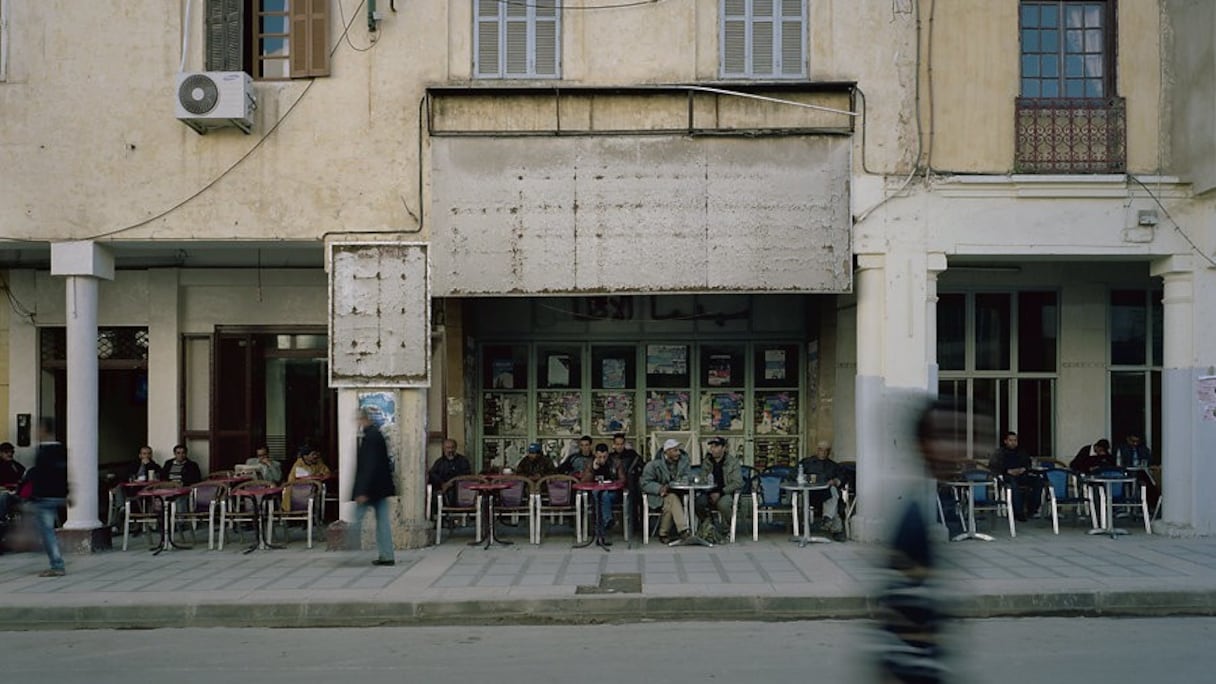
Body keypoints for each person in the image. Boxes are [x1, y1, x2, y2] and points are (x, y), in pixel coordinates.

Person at [874, 396, 968, 683]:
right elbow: (905, 629)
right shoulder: (912, 522)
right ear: (924, 446)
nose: (959, 452)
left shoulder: (919, 513)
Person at [350, 406, 396, 566]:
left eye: (358, 419)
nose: (357, 422)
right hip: (380, 488)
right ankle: (387, 555)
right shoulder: (376, 435)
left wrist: (361, 490)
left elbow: (368, 466)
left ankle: (348, 544)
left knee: (356, 518)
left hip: (371, 489)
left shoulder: (370, 437)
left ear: (364, 419)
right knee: (382, 521)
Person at [30, 418, 68, 577]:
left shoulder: (44, 452)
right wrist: (67, 492)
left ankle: (57, 564)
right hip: (57, 494)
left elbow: (39, 476)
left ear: (43, 430)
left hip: (45, 496)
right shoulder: (61, 449)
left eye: (37, 429)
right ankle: (56, 555)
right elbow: (65, 472)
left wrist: (34, 495)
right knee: (47, 530)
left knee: (47, 532)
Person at [640, 438, 692, 544]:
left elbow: (688, 476)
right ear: (667, 452)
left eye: (678, 450)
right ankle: (683, 530)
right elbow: (645, 483)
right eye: (675, 450)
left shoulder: (683, 462)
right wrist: (659, 488)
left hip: (679, 493)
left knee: (671, 501)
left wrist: (682, 481)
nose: (678, 453)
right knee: (672, 498)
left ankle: (663, 533)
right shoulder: (653, 465)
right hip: (657, 496)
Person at [989, 431, 1044, 522]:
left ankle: (1032, 509)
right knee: (1013, 483)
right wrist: (1007, 471)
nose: (1013, 442)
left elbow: (1028, 464)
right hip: (1006, 476)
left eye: (1015, 440)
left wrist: (1024, 469)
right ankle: (1018, 512)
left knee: (1038, 481)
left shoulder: (1021, 451)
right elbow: (993, 466)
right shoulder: (999, 452)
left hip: (1021, 475)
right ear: (1005, 441)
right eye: (1010, 440)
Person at [796, 440, 845, 540]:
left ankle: (827, 518)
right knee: (833, 504)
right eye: (820, 450)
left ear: (829, 452)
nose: (823, 452)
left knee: (833, 492)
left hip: (826, 494)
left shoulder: (833, 465)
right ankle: (834, 527)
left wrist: (836, 481)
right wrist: (805, 478)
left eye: (826, 450)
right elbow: (793, 474)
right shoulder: (806, 462)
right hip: (809, 494)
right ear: (817, 450)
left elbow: (842, 478)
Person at [580, 443, 626, 540]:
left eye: (604, 457)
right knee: (600, 494)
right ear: (595, 455)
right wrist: (593, 469)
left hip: (612, 493)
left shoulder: (616, 462)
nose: (602, 459)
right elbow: (584, 481)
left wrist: (612, 483)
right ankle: (607, 521)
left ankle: (603, 526)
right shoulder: (589, 463)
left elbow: (622, 480)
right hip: (594, 492)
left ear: (608, 455)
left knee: (603, 495)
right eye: (600, 456)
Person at [697, 436, 742, 532]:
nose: (713, 449)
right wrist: (706, 489)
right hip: (708, 492)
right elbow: (702, 479)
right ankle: (708, 527)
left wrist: (720, 492)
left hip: (725, 492)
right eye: (711, 447)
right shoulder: (707, 462)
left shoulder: (733, 462)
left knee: (723, 504)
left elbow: (738, 482)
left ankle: (727, 529)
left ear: (724, 448)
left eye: (716, 446)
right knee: (699, 503)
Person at [610, 433, 644, 532]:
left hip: (632, 485)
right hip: (616, 486)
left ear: (624, 444)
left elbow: (642, 467)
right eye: (617, 444)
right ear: (614, 444)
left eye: (621, 444)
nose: (619, 446)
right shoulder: (610, 457)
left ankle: (637, 525)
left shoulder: (632, 455)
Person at [282, 446, 331, 511]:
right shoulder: (299, 464)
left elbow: (327, 473)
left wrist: (322, 476)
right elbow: (295, 480)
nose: (316, 456)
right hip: (296, 489)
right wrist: (314, 481)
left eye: (316, 454)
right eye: (313, 454)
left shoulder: (318, 461)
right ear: (305, 456)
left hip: (313, 490)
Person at [428, 439, 472, 509]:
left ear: (455, 448)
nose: (450, 450)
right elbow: (433, 475)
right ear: (444, 449)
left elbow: (466, 475)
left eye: (452, 447)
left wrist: (452, 482)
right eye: (448, 448)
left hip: (458, 489)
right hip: (442, 489)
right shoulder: (439, 462)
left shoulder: (463, 461)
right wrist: (442, 484)